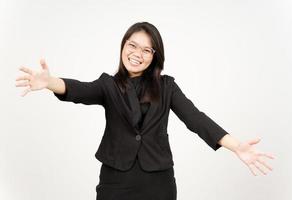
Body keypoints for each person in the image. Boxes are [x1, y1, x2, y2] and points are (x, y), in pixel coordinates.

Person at [15, 22, 275, 200]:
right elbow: (80, 90)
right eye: (132, 45)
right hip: (115, 182)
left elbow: (196, 119)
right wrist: (50, 83)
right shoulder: (108, 85)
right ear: (123, 47)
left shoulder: (167, 86)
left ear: (155, 56)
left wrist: (236, 146)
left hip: (158, 184)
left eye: (146, 49)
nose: (137, 53)